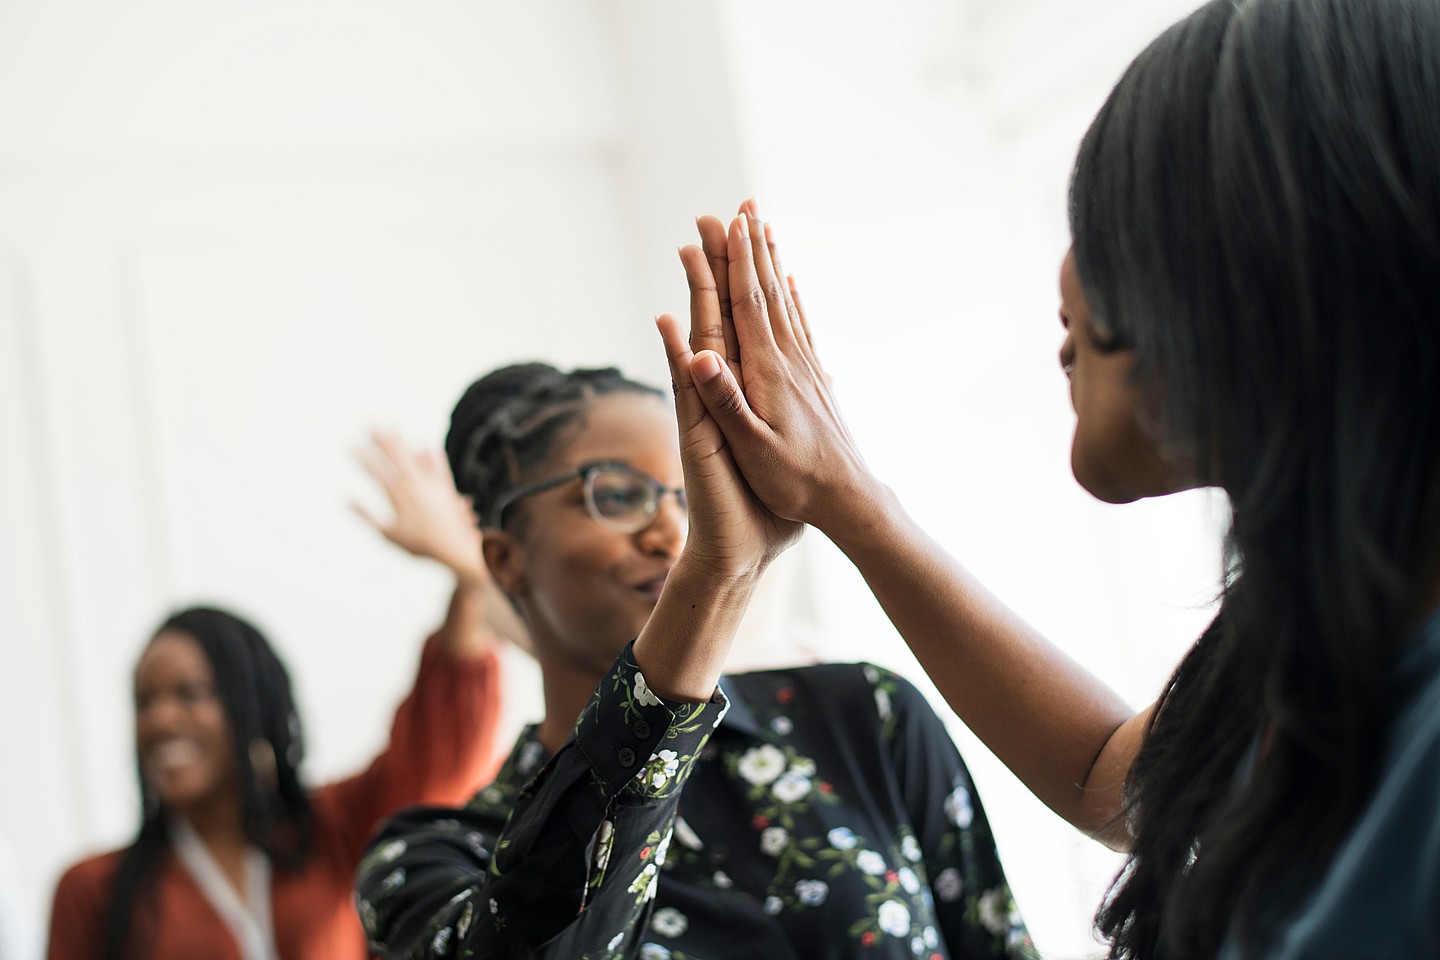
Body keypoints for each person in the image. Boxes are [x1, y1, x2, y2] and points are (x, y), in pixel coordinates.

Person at [665, 1, 1440, 957]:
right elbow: (1115, 777)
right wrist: (847, 502)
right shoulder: (1327, 628)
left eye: (1105, 222)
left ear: (1265, 259)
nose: (1064, 282)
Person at [353, 362, 1036, 958]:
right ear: (503, 559)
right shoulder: (435, 857)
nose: (672, 529)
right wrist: (709, 586)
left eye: (692, 494)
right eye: (617, 495)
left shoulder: (866, 715)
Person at [47, 432, 517, 960]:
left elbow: (438, 743)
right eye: (144, 701)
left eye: (188, 694)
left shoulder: (332, 832)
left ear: (251, 704)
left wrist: (463, 558)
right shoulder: (93, 891)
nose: (160, 719)